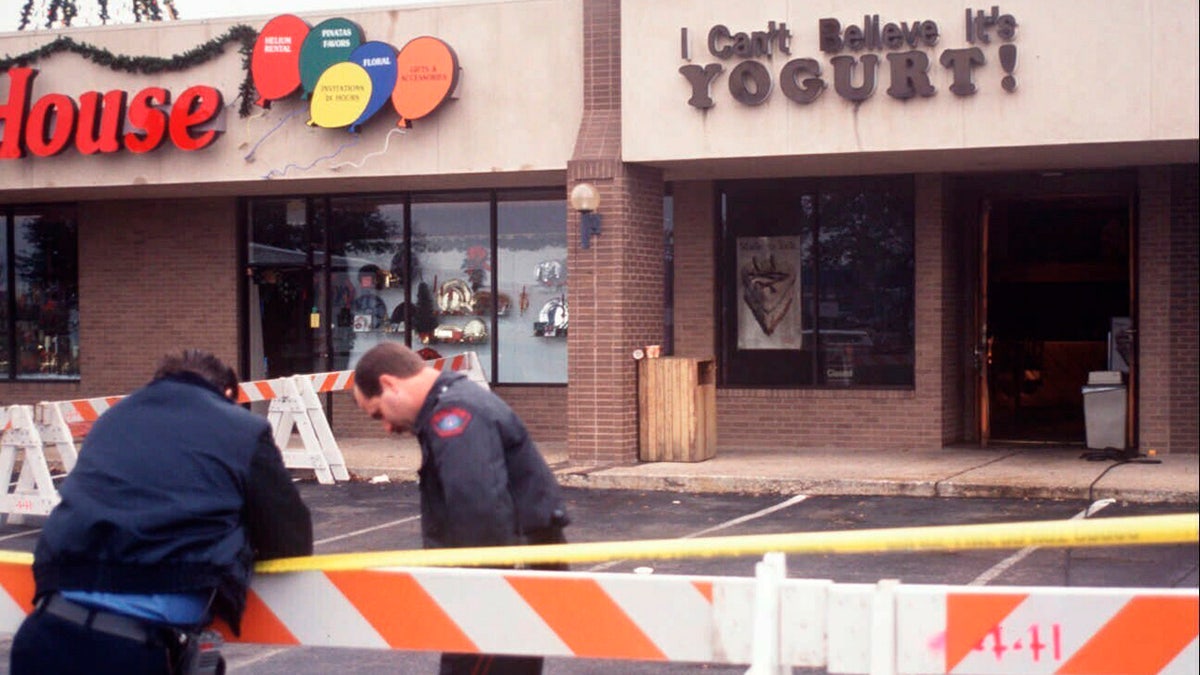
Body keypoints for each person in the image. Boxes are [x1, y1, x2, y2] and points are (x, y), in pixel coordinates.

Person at [10, 349, 313, 675]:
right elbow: (291, 540)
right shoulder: (243, 429)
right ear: (227, 394)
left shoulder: (111, 420)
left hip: (41, 636)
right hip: (131, 651)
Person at [352, 341, 570, 675]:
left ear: (389, 385)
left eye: (378, 413)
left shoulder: (454, 415)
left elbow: (478, 510)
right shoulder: (459, 401)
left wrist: (471, 601)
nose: (386, 427)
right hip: (513, 576)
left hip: (495, 589)